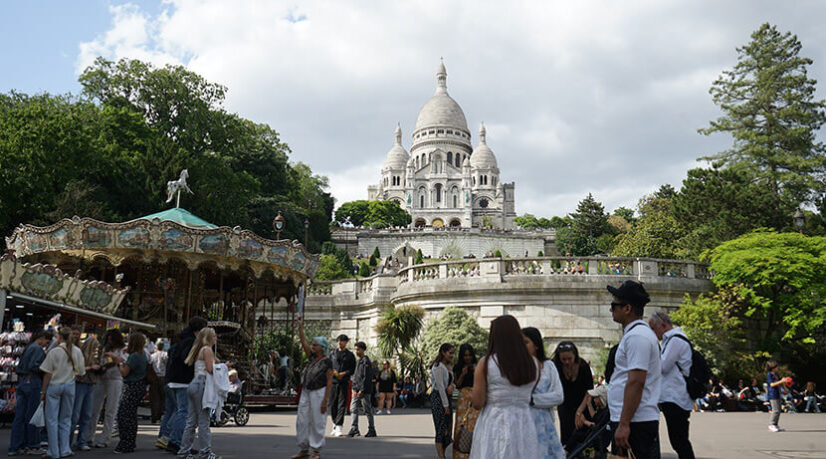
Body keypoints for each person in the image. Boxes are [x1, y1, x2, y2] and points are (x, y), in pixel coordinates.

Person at [470, 315, 539, 458]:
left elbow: (477, 403)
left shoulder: (486, 363)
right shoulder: (534, 364)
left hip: (495, 422)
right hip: (524, 422)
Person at [606, 280, 662, 458]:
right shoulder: (636, 335)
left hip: (635, 422)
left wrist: (624, 424)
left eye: (614, 305)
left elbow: (636, 382)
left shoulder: (638, 337)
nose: (611, 309)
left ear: (627, 308)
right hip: (634, 420)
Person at [649, 311, 695, 459]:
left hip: (676, 398)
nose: (653, 333)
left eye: (653, 329)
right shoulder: (672, 340)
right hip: (673, 397)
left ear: (663, 325)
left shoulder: (675, 341)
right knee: (678, 440)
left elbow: (663, 366)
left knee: (679, 441)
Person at [158, 316, 208, 453]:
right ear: (199, 330)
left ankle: (174, 440)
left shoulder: (183, 340)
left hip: (175, 380)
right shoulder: (191, 342)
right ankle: (176, 442)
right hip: (183, 381)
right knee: (184, 412)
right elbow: (188, 359)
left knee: (179, 411)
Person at [40, 326, 86, 459]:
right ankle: (65, 449)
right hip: (70, 385)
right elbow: (81, 372)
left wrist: (43, 391)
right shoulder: (77, 351)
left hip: (54, 386)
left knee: (52, 419)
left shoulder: (54, 352)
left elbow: (47, 373)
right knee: (66, 419)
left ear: (59, 337)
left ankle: (53, 451)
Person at [177, 327, 222, 459]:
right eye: (214, 336)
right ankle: (205, 452)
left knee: (191, 421)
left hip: (194, 384)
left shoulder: (200, 350)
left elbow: (214, 363)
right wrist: (222, 371)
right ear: (208, 338)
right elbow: (210, 369)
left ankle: (184, 451)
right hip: (202, 385)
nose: (216, 338)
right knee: (203, 420)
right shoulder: (207, 350)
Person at [522, 327, 565, 459]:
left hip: (545, 425)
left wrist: (533, 400)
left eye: (526, 342)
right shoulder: (517, 368)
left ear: (536, 345)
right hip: (523, 423)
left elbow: (558, 396)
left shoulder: (548, 366)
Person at [293, 317, 333, 459]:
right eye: (313, 345)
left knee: (318, 420)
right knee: (302, 419)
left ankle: (316, 450)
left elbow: (329, 381)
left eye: (316, 345)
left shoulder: (327, 362)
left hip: (319, 392)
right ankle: (304, 448)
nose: (313, 346)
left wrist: (325, 401)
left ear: (322, 347)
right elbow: (303, 342)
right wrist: (300, 327)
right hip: (306, 391)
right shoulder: (311, 357)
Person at [8, 330, 51, 456]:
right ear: (42, 338)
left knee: (20, 416)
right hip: (33, 382)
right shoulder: (38, 349)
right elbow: (35, 366)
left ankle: (15, 445)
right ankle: (32, 444)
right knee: (32, 415)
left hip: (23, 382)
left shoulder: (28, 348)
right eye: (46, 342)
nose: (46, 344)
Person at [87, 328, 126, 448]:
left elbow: (122, 360)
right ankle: (89, 436)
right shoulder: (105, 349)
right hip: (102, 378)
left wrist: (113, 356)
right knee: (94, 408)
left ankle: (105, 438)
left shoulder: (123, 350)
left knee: (110, 410)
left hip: (115, 379)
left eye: (112, 339)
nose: (110, 341)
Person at [551, 341, 593, 444]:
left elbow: (589, 391)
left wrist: (580, 412)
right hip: (565, 407)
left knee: (582, 437)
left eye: (570, 359)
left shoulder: (583, 366)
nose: (567, 362)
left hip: (583, 405)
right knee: (567, 437)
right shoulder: (555, 367)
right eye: (563, 359)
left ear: (575, 356)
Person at [114, 332, 148, 453]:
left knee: (124, 415)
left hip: (132, 386)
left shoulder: (134, 356)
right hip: (139, 386)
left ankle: (125, 443)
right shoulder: (142, 354)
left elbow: (124, 372)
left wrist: (119, 362)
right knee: (131, 415)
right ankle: (130, 442)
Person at [70, 331, 101, 451]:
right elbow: (77, 369)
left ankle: (81, 441)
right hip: (81, 383)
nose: (96, 350)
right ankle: (69, 440)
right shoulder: (80, 355)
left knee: (86, 414)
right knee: (75, 414)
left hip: (90, 384)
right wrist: (91, 368)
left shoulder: (95, 357)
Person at [452, 344, 481, 459]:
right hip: (463, 397)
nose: (467, 358)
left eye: (469, 355)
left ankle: (475, 452)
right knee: (462, 424)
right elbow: (457, 385)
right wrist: (463, 374)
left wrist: (477, 371)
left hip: (475, 396)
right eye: (465, 355)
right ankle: (460, 453)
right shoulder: (457, 368)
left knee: (475, 424)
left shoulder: (478, 366)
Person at [430, 343, 455, 459]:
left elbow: (450, 382)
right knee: (441, 428)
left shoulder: (448, 366)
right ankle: (441, 456)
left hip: (447, 398)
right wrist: (445, 405)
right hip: (438, 398)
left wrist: (452, 386)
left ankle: (443, 453)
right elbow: (440, 386)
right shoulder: (438, 366)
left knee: (448, 428)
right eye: (450, 353)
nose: (452, 355)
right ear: (443, 353)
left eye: (453, 353)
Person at [347, 341, 376, 437]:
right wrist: (353, 388)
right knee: (353, 408)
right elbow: (356, 376)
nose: (356, 352)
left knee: (367, 410)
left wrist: (362, 390)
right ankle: (354, 428)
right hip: (356, 389)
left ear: (363, 350)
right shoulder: (359, 361)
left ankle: (372, 429)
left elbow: (367, 377)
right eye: (355, 350)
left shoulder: (366, 361)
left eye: (358, 350)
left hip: (364, 391)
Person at [329, 334, 355, 436]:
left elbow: (352, 369)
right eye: (339, 341)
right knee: (332, 404)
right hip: (333, 382)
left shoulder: (350, 355)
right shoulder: (332, 354)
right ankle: (334, 424)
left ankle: (339, 426)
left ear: (346, 342)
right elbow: (328, 366)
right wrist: (333, 372)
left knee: (341, 404)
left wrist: (343, 373)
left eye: (343, 341)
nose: (340, 343)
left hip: (344, 382)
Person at [766, 360, 790, 432]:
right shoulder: (769, 374)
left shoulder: (776, 375)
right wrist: (782, 381)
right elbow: (772, 384)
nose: (778, 368)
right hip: (772, 394)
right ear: (772, 368)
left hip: (778, 393)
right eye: (776, 367)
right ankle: (771, 424)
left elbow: (780, 383)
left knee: (779, 410)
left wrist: (785, 389)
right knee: (775, 410)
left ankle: (775, 425)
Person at [149, 341, 168, 423]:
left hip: (154, 378)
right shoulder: (165, 355)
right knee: (163, 397)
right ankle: (162, 415)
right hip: (163, 377)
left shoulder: (152, 356)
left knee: (154, 398)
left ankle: (154, 416)